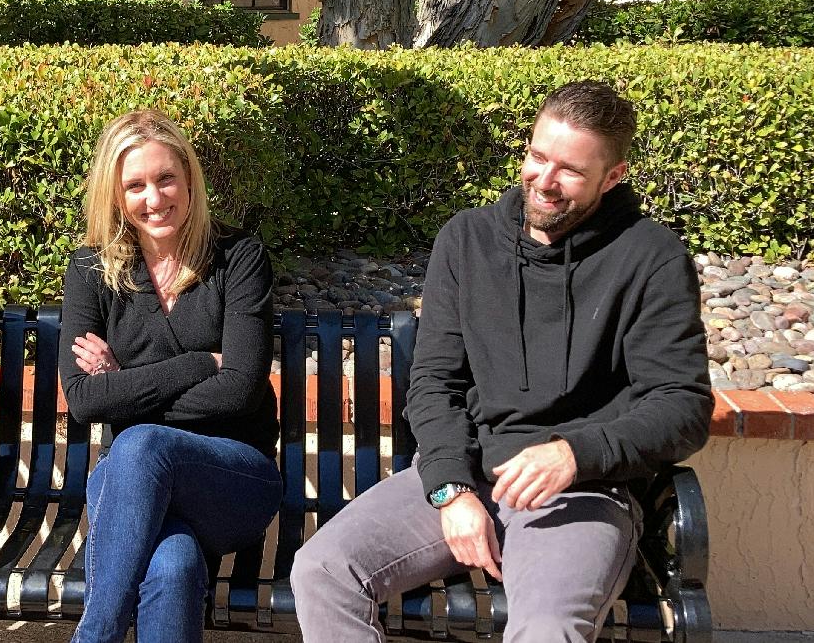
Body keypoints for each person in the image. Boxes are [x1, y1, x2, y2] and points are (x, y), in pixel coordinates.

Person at [291, 81, 713, 642]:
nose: (544, 181)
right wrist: (450, 489)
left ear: (613, 177)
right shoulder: (467, 240)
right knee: (322, 571)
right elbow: (435, 382)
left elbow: (683, 405)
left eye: (569, 171)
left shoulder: (652, 260)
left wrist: (574, 452)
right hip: (468, 472)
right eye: (538, 156)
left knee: (546, 628)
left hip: (583, 489)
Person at [59, 109, 283, 643]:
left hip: (234, 477)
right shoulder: (92, 271)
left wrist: (125, 386)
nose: (154, 199)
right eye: (135, 185)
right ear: (116, 195)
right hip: (135, 491)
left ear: (188, 180)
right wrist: (200, 363)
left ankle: (97, 634)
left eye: (165, 179)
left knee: (139, 444)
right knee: (175, 563)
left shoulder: (238, 258)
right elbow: (85, 401)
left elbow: (241, 391)